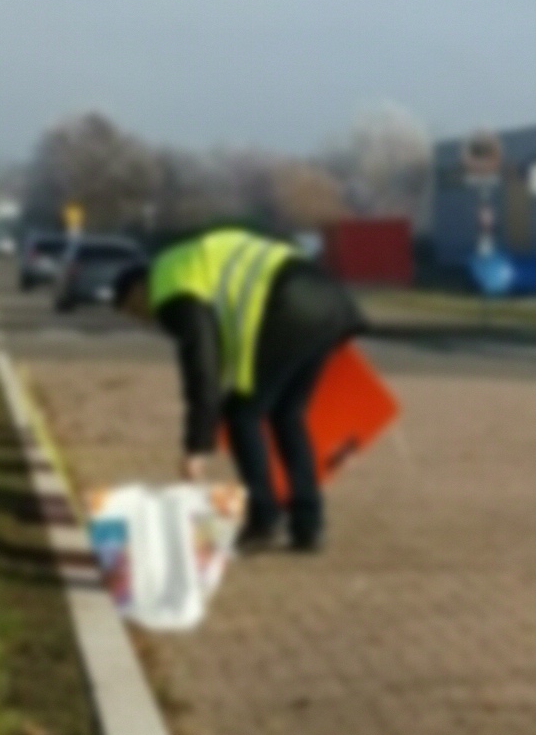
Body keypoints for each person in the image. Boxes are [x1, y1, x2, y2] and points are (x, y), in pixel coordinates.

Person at [115, 226, 365, 555]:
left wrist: (197, 445)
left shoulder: (169, 285)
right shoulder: (187, 263)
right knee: (287, 414)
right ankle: (308, 525)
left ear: (139, 287)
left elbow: (201, 367)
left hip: (286, 304)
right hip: (332, 301)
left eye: (134, 309)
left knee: (241, 414)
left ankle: (265, 519)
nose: (144, 319)